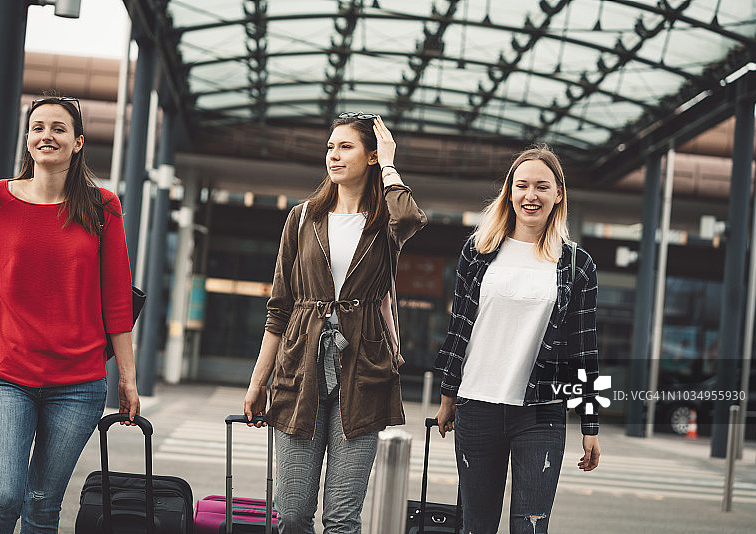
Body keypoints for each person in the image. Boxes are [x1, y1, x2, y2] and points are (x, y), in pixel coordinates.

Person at [0, 96, 140, 533]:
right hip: (6, 375)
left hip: (77, 384)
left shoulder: (102, 207)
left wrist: (128, 379)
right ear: (27, 140)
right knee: (3, 498)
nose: (47, 136)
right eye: (38, 127)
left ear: (77, 143)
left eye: (59, 128)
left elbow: (118, 299)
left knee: (43, 506)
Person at [243, 112, 426, 533]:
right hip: (298, 370)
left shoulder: (385, 222)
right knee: (291, 515)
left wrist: (392, 164)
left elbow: (412, 219)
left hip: (364, 373)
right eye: (330, 147)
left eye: (346, 147)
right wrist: (258, 381)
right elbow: (280, 306)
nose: (334, 155)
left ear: (372, 156)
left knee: (342, 519)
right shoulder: (303, 216)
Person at [434, 144, 601, 534]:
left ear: (558, 193)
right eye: (522, 185)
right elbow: (459, 328)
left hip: (542, 410)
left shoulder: (577, 264)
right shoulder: (477, 251)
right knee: (476, 525)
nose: (531, 195)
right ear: (509, 192)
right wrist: (447, 395)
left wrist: (590, 423)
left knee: (530, 527)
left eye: (542, 186)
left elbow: (585, 348)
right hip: (477, 404)